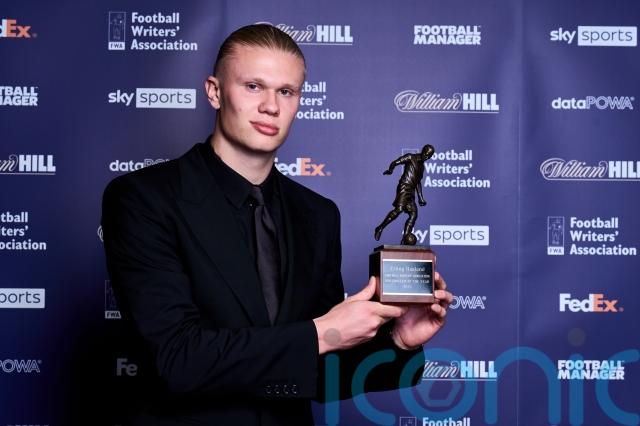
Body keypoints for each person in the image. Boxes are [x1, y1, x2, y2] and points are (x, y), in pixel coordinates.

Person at [101, 25, 452, 426]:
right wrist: (321, 331)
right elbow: (177, 359)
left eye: (286, 91)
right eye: (253, 86)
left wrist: (399, 341)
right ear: (215, 92)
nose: (271, 106)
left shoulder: (317, 214)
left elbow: (317, 373)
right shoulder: (144, 198)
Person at [374, 144, 435, 245]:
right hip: (404, 187)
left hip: (411, 191)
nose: (427, 157)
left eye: (429, 156)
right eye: (426, 154)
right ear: (423, 151)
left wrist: (421, 198)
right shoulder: (411, 157)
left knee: (413, 214)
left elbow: (418, 182)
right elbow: (396, 162)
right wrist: (390, 170)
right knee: (399, 210)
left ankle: (405, 239)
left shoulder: (422, 167)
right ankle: (380, 228)